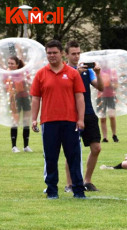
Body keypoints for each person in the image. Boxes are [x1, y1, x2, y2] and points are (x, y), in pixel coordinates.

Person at [30, 40, 86, 199]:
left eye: (55, 52)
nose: (52, 56)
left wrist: (80, 119)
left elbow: (79, 97)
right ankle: (52, 191)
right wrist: (34, 119)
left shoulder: (73, 73)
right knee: (51, 158)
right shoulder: (41, 74)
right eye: (49, 53)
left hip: (70, 121)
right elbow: (35, 98)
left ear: (62, 53)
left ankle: (78, 191)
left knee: (74, 157)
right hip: (48, 122)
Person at [63, 40, 104, 192]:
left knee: (96, 148)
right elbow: (63, 90)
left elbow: (100, 87)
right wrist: (76, 74)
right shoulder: (64, 70)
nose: (76, 56)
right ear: (66, 54)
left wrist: (98, 74)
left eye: (78, 53)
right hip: (71, 115)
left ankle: (87, 180)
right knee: (71, 150)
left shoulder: (87, 70)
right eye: (73, 54)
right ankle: (70, 184)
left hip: (88, 113)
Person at [5, 56, 33, 153]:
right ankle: (14, 146)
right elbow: (5, 85)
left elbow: (29, 83)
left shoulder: (24, 72)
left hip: (25, 97)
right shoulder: (7, 73)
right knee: (15, 121)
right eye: (9, 63)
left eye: (12, 63)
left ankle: (26, 146)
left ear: (17, 64)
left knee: (26, 121)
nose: (10, 65)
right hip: (14, 98)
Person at [96, 66, 119, 143]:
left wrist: (109, 83)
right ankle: (105, 137)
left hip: (111, 96)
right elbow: (95, 85)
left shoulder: (112, 71)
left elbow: (116, 86)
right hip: (100, 97)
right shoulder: (98, 71)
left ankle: (114, 135)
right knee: (102, 118)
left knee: (112, 116)